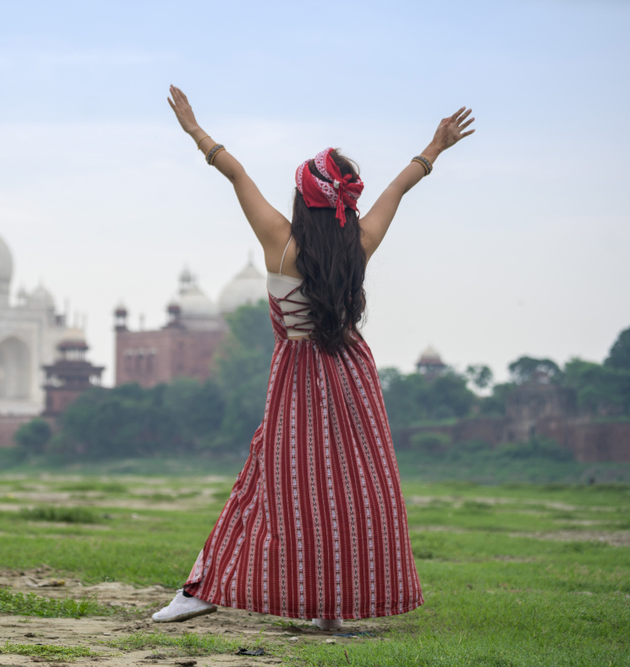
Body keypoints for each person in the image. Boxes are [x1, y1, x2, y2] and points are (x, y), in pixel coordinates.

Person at [153, 85, 475, 628]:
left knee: (274, 485)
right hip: (352, 376)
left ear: (303, 198)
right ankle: (330, 611)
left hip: (299, 376)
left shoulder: (279, 239)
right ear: (345, 203)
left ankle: (203, 589)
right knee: (351, 487)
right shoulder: (360, 243)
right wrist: (435, 147)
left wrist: (194, 130)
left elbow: (235, 174)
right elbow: (399, 187)